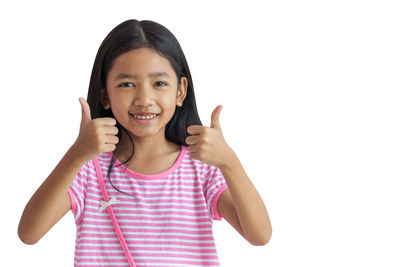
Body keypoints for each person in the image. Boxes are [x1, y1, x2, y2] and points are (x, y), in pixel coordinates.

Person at [18, 19, 272, 266]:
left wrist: (229, 162)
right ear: (105, 94)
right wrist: (76, 155)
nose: (144, 98)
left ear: (180, 91)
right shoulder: (87, 168)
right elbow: (29, 234)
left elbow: (259, 236)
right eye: (127, 84)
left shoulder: (201, 168)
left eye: (159, 83)